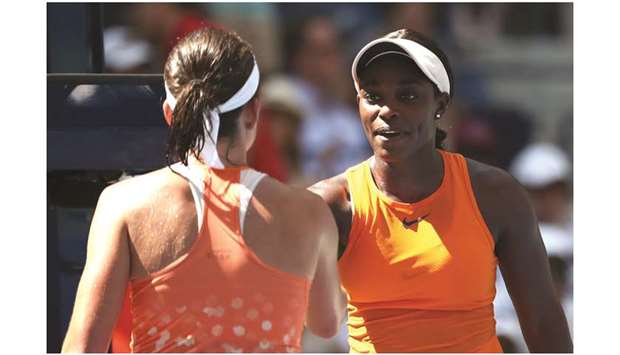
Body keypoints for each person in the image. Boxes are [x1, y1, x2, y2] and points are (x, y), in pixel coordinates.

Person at [61, 27, 345, 353]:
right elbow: (325, 324)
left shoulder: (121, 204)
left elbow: (82, 348)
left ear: (170, 115)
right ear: (253, 114)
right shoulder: (309, 212)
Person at [309, 28, 572, 352]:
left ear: (441, 104)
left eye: (407, 96)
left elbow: (544, 321)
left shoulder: (495, 195)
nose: (387, 110)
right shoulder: (332, 203)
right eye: (373, 96)